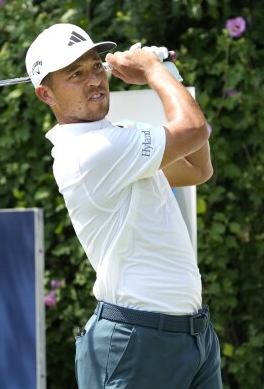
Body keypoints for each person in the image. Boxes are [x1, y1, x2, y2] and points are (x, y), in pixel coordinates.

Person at [25, 23, 221, 388]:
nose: (94, 80)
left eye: (97, 66)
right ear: (45, 94)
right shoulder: (88, 153)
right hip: (137, 342)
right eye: (75, 74)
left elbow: (198, 167)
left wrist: (168, 74)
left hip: (194, 336)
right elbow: (194, 130)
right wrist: (152, 70)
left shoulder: (120, 137)